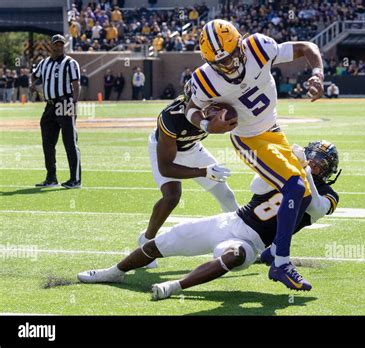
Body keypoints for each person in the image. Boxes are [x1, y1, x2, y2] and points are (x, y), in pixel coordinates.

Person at [77, 140, 340, 300]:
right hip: (231, 221)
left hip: (253, 242)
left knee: (234, 256)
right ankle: (113, 272)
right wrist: (289, 166)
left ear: (328, 171)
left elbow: (315, 207)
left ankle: (175, 287)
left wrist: (304, 174)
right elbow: (257, 186)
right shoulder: (290, 173)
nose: (314, 166)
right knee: (167, 240)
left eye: (320, 164)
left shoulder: (328, 195)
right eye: (312, 160)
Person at [186, 19, 325, 291]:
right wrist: (205, 123)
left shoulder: (259, 47)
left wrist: (318, 73)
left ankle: (273, 252)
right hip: (248, 139)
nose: (229, 66)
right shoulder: (205, 78)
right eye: (220, 62)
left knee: (305, 195)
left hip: (274, 132)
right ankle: (281, 263)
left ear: (241, 43)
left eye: (232, 57)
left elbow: (307, 47)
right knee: (294, 186)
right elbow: (191, 108)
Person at [137, 80, 238, 268]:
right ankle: (146, 240)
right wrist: (204, 172)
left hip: (193, 148)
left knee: (226, 195)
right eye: (200, 102)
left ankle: (243, 237)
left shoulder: (216, 106)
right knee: (172, 196)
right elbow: (166, 167)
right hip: (167, 150)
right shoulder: (170, 117)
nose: (206, 107)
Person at [30, 34, 82, 189]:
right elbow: (34, 75)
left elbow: (76, 84)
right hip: (50, 105)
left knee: (69, 142)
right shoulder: (44, 63)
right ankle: (51, 178)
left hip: (65, 102)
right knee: (47, 142)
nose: (59, 47)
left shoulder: (70, 63)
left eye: (61, 44)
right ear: (51, 46)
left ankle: (75, 179)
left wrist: (73, 103)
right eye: (56, 44)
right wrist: (33, 85)